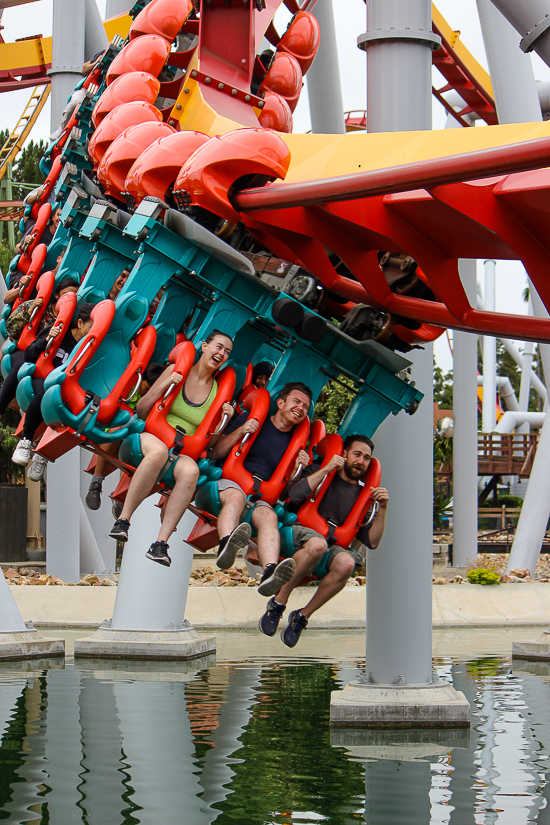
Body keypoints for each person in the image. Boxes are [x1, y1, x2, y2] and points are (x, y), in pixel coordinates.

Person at [109, 330, 235, 567]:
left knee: (191, 472)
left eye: (227, 352)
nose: (222, 353)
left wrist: (223, 422)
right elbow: (143, 410)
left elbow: (208, 443)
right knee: (157, 453)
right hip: (152, 438)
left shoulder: (218, 392)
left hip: (182, 449)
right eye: (219, 347)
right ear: (204, 346)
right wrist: (166, 382)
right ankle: (124, 520)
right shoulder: (178, 371)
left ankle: (161, 544)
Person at [259, 434, 389, 647]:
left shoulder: (365, 496)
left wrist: (383, 508)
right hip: (298, 534)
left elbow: (373, 542)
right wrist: (327, 469)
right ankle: (278, 602)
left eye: (366, 458)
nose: (361, 461)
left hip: (330, 547)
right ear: (345, 454)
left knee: (347, 563)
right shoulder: (320, 470)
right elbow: (295, 494)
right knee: (317, 544)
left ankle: (301, 617)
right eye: (357, 454)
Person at [209, 382, 312, 597]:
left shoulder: (296, 444)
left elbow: (286, 494)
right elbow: (215, 453)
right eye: (297, 402)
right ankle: (226, 543)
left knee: (269, 516)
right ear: (281, 403)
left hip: (260, 497)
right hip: (230, 484)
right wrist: (241, 431)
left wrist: (297, 469)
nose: (301, 408)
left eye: (305, 406)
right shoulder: (255, 418)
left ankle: (269, 572)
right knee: (236, 497)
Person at [11, 303, 95, 479]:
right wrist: (47, 339)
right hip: (43, 379)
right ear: (80, 323)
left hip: (67, 388)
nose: (93, 333)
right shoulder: (60, 332)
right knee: (47, 393)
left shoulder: (91, 348)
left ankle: (44, 455)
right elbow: (29, 355)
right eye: (90, 327)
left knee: (82, 412)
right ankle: (26, 440)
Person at [85, 361, 165, 511]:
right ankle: (96, 480)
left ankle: (123, 496)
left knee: (153, 453)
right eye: (146, 389)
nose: (146, 395)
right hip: (111, 429)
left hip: (132, 438)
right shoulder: (128, 389)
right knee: (120, 427)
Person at [0, 277, 80, 423]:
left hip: (50, 361)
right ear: (57, 295)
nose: (69, 300)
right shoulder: (41, 307)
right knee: (19, 366)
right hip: (29, 351)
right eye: (66, 294)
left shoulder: (72, 324)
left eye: (73, 297)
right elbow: (11, 327)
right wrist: (31, 313)